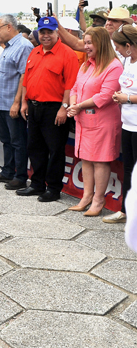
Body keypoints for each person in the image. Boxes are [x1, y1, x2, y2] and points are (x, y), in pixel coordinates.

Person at [19, 17, 80, 202]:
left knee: (55, 150)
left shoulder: (68, 54)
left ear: (57, 33)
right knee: (34, 147)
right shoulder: (35, 51)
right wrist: (24, 102)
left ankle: (53, 188)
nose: (45, 36)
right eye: (42, 32)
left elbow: (71, 85)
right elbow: (26, 80)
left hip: (54, 108)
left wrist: (64, 107)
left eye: (49, 32)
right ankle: (37, 184)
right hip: (34, 106)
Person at [66, 27, 123, 216]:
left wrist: (79, 106)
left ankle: (98, 199)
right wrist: (73, 104)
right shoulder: (87, 65)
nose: (86, 46)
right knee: (86, 159)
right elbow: (75, 87)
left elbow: (105, 96)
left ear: (101, 43)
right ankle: (86, 196)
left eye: (89, 43)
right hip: (83, 119)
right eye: (85, 42)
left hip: (102, 121)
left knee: (100, 161)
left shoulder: (114, 66)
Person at [0, 15, 34, 190]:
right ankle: (7, 171)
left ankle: (20, 176)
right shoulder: (7, 47)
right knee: (6, 140)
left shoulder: (23, 46)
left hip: (12, 103)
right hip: (1, 102)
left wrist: (17, 102)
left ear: (9, 27)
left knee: (17, 141)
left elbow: (24, 76)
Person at [108, 26, 137, 223]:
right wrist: (120, 95)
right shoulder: (128, 60)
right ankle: (125, 211)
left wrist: (126, 98)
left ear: (128, 45)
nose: (116, 50)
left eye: (118, 46)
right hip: (127, 123)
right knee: (128, 169)